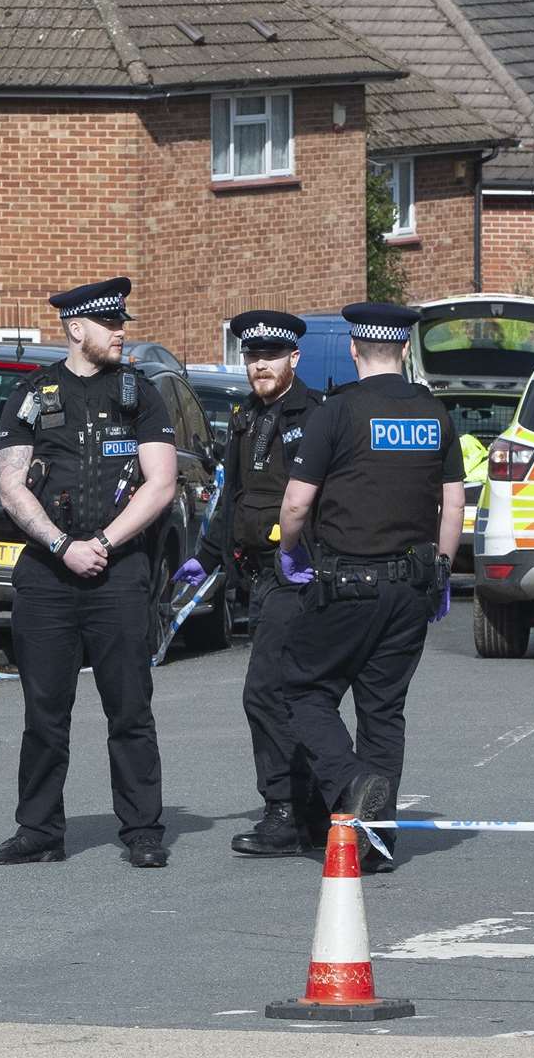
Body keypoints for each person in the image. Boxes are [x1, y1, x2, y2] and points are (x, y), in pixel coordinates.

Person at [0, 276, 178, 870]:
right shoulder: (34, 393)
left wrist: (105, 542)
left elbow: (161, 482)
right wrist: (63, 544)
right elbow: (11, 486)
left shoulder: (140, 393)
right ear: (76, 329)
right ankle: (38, 830)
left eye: (122, 323)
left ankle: (142, 830)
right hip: (47, 577)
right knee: (44, 712)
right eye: (110, 325)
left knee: (130, 707)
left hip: (120, 575)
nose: (121, 333)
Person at [275, 302, 465, 873]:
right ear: (404, 350)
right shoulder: (434, 413)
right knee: (383, 711)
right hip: (412, 586)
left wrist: (287, 550)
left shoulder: (338, 412)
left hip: (346, 584)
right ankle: (376, 844)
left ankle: (354, 782)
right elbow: (452, 501)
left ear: (355, 350)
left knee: (300, 691)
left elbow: (297, 502)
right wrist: (443, 569)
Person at [175, 311, 329, 856]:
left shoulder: (315, 416)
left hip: (298, 577)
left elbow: (322, 500)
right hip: (257, 578)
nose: (259, 365)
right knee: (290, 694)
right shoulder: (245, 418)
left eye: (270, 356)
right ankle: (311, 811)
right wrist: (208, 556)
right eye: (251, 357)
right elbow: (234, 497)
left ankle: (284, 811)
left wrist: (307, 557)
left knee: (266, 692)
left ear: (294, 359)